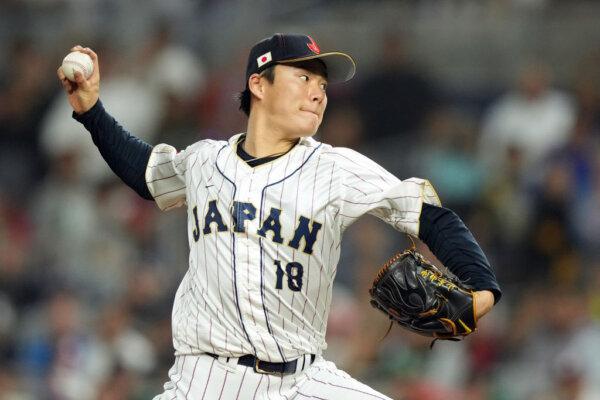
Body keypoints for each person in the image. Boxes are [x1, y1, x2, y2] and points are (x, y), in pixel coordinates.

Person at [57, 33, 501, 399]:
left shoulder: (336, 168)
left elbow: (430, 216)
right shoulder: (206, 161)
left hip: (302, 380)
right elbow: (146, 172)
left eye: (323, 85)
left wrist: (482, 287)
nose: (318, 93)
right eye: (304, 77)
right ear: (259, 84)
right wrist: (91, 111)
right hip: (205, 381)